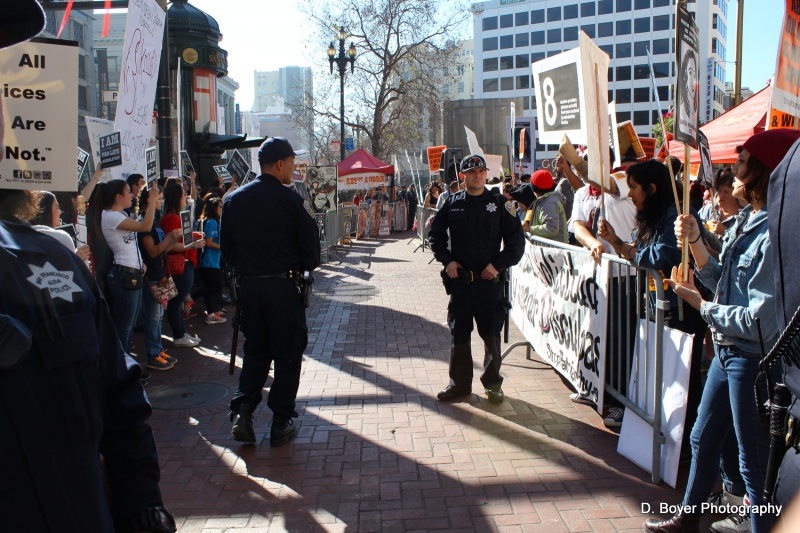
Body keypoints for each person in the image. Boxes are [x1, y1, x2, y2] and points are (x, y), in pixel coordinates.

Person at [644, 130, 800, 533]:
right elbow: (720, 278)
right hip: (727, 355)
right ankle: (689, 519)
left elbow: (759, 322)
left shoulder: (774, 232)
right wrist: (695, 240)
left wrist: (701, 305)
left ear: (765, 171)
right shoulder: (748, 219)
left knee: (754, 467)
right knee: (701, 438)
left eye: (743, 162)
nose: (732, 171)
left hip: (753, 365)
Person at [221, 137, 321, 446]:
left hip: (250, 291)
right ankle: (280, 421)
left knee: (256, 352)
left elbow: (228, 251)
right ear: (279, 164)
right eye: (291, 163)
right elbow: (312, 253)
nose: (293, 168)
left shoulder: (234, 201)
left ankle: (243, 412)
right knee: (287, 355)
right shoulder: (293, 201)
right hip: (283, 290)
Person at [598, 160, 708, 436]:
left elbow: (667, 253)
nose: (631, 194)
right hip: (658, 305)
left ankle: (685, 438)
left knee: (683, 378)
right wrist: (618, 242)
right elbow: (644, 247)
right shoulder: (654, 214)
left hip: (681, 308)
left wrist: (630, 251)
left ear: (652, 188)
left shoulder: (679, 215)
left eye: (634, 187)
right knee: (662, 374)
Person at [428, 154, 525, 404]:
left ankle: (493, 384)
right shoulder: (452, 203)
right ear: (463, 176)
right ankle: (459, 384)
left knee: (491, 335)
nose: (478, 175)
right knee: (459, 334)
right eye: (472, 172)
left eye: (481, 171)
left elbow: (516, 241)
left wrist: (498, 264)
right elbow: (435, 235)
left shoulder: (500, 203)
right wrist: (447, 260)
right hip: (460, 283)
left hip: (489, 284)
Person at [92, 180, 160, 356]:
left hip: (131, 271)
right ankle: (123, 366)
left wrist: (140, 262)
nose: (132, 195)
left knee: (128, 326)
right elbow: (145, 226)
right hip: (124, 274)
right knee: (125, 327)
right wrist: (151, 200)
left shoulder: (119, 214)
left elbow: (130, 242)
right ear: (118, 196)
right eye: (128, 192)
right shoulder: (110, 216)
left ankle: (126, 364)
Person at [137, 186, 182, 371]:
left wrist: (172, 239)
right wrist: (170, 236)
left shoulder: (152, 222)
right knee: (153, 317)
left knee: (158, 316)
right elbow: (153, 251)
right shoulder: (143, 224)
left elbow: (163, 249)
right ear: (150, 199)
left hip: (159, 274)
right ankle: (153, 354)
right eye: (159, 198)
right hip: (152, 276)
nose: (162, 201)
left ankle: (158, 350)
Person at [160, 183, 205, 348]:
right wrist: (194, 244)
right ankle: (178, 335)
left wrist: (193, 236)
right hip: (180, 264)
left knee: (177, 301)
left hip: (185, 262)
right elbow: (170, 246)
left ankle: (181, 332)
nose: (186, 197)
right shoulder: (172, 218)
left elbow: (181, 239)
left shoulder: (176, 216)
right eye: (183, 194)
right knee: (176, 301)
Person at [29, 191, 92, 262]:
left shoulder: (23, 237)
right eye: (57, 207)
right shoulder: (62, 238)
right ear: (45, 211)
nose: (60, 212)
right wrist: (76, 260)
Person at [197, 196, 226, 325]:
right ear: (214, 208)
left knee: (209, 288)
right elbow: (208, 242)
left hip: (211, 260)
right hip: (209, 260)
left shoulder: (213, 222)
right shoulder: (212, 222)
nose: (222, 209)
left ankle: (211, 313)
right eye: (220, 206)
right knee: (216, 286)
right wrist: (223, 247)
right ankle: (189, 298)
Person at [523, 169, 568, 244]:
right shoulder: (543, 200)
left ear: (534, 188)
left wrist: (529, 229)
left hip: (553, 252)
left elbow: (551, 229)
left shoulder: (549, 202)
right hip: (548, 251)